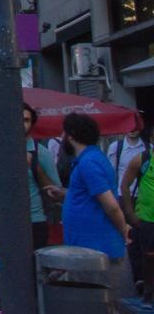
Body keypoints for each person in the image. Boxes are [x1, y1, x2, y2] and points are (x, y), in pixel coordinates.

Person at [0, 103, 64, 250]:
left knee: (32, 269)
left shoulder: (41, 152)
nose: (21, 124)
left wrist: (34, 165)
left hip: (33, 221)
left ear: (32, 124)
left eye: (26, 120)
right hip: (0, 219)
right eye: (17, 119)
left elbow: (55, 193)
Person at [61, 113, 130, 274]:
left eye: (63, 132)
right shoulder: (88, 159)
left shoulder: (88, 162)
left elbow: (111, 206)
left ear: (71, 135)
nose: (61, 137)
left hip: (95, 251)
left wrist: (123, 230)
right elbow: (89, 195)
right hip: (88, 250)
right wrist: (66, 194)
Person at [120, 134, 154, 310]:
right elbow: (125, 185)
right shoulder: (142, 159)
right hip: (147, 219)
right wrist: (130, 213)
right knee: (149, 259)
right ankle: (148, 294)